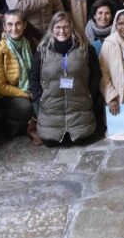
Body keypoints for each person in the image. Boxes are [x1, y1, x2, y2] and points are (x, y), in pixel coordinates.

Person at [29, 11, 102, 145]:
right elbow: (33, 77)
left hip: (80, 107)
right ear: (52, 29)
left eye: (66, 27)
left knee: (83, 140)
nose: (62, 31)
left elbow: (96, 74)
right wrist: (40, 98)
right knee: (50, 142)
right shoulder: (42, 51)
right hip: (51, 109)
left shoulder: (85, 49)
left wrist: (90, 94)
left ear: (72, 28)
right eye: (58, 27)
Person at [0, 9, 39, 142]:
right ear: (4, 27)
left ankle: (31, 125)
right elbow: (0, 88)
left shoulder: (29, 42)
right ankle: (14, 128)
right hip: (9, 95)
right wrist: (26, 94)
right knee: (25, 107)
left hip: (30, 87)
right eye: (9, 24)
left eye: (18, 24)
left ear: (24, 25)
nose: (14, 28)